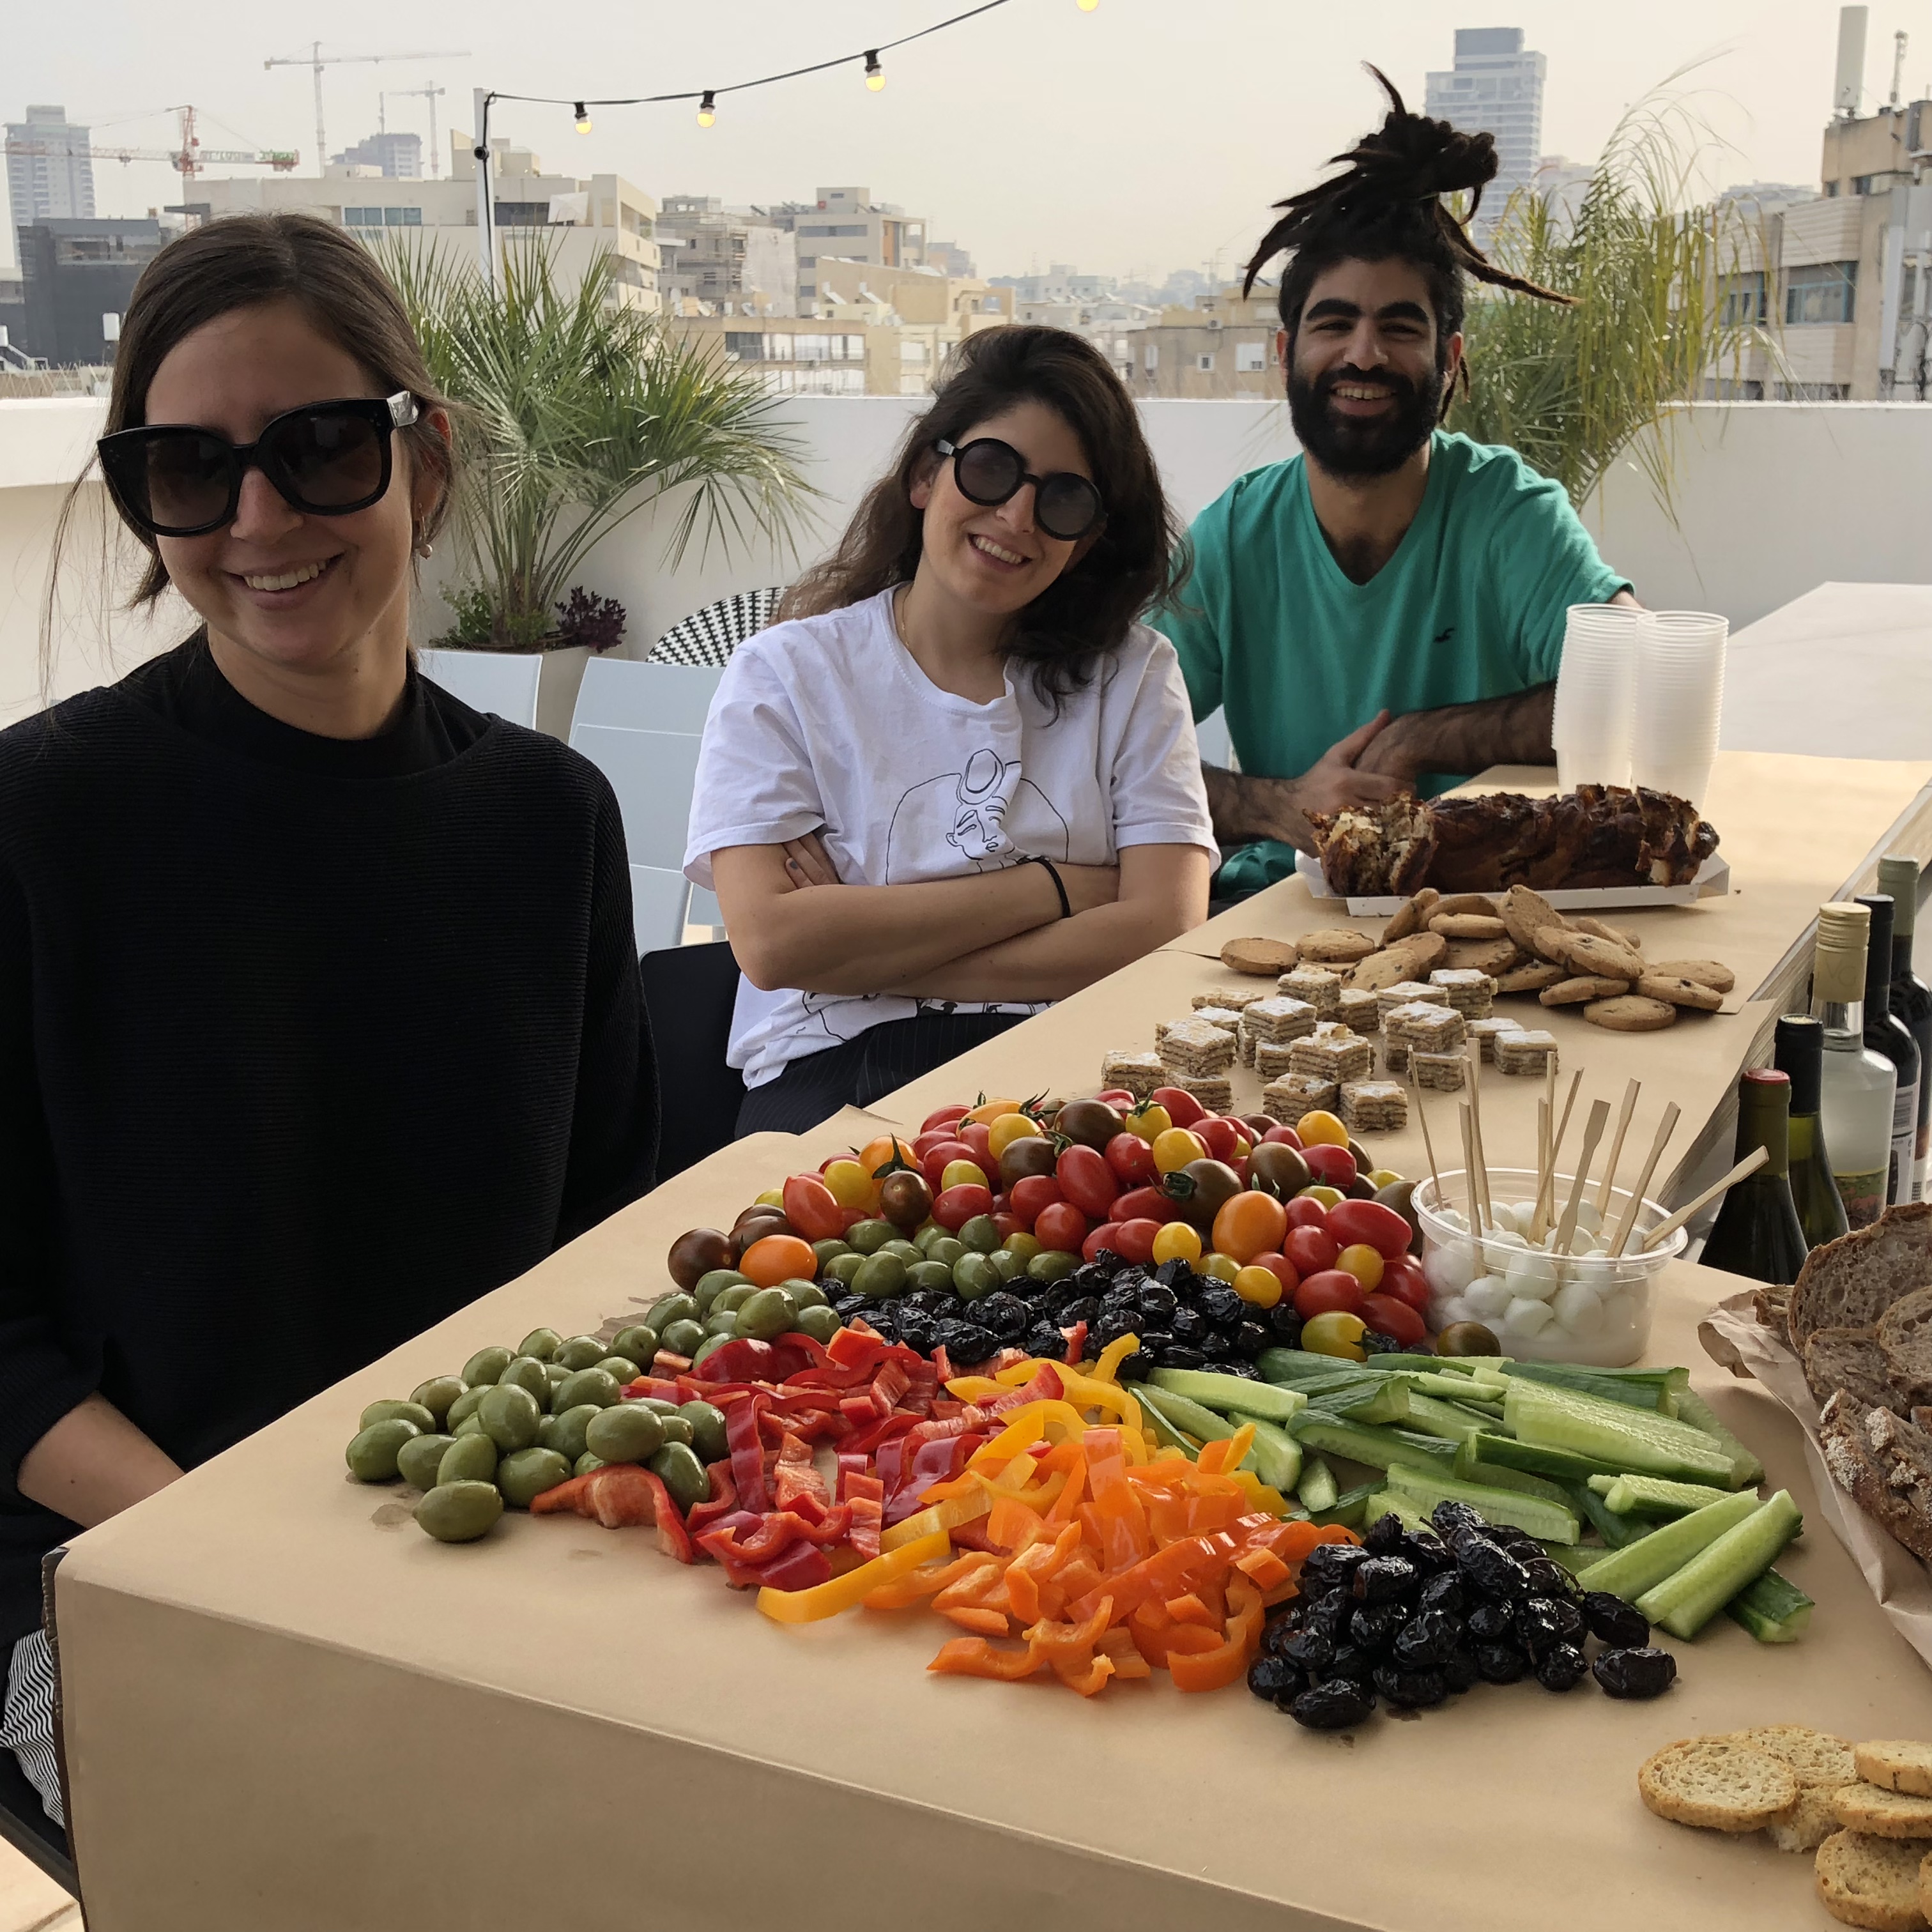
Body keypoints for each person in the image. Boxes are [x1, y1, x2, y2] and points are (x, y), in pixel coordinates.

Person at [0, 214, 657, 1829]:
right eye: (186, 471)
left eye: (313, 449)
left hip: (484, 1543)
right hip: (126, 1570)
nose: (257, 517)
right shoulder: (39, 818)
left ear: (424, 462)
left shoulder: (552, 821)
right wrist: (250, 1558)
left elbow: (604, 1251)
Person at [685, 325, 1218, 1135]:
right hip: (838, 1062)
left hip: (1079, 1064)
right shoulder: (786, 673)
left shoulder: (1134, 676)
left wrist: (862, 950)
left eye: (1064, 498)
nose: (1017, 515)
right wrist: (1061, 888)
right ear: (926, 474)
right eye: (992, 468)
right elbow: (773, 943)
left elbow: (1162, 926)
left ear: (1089, 542)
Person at [1155, 70, 1638, 897]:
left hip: (1486, 917)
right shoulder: (1237, 536)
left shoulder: (1506, 513)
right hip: (1275, 920)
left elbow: (1637, 686)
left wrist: (1431, 737)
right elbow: (1107, 748)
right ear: (1286, 356)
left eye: (1400, 327)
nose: (1365, 354)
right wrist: (1279, 805)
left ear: (1448, 360)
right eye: (1334, 323)